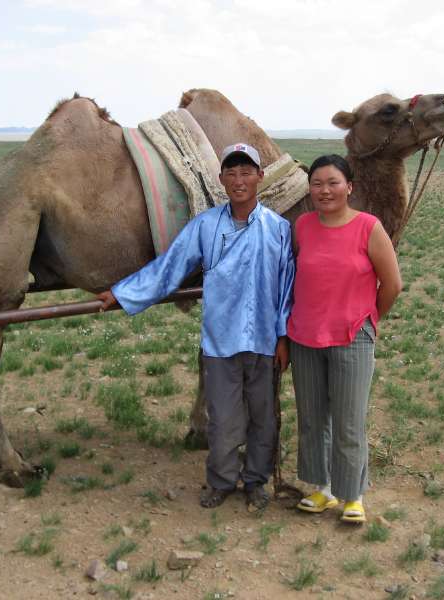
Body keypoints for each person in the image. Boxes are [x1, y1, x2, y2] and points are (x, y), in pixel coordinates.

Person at [97, 143, 295, 510]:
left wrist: (284, 337)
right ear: (221, 180)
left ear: (260, 177)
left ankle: (255, 481)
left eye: (246, 172)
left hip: (265, 340)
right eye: (232, 173)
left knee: (263, 417)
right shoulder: (204, 226)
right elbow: (169, 267)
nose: (239, 180)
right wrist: (124, 294)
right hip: (220, 341)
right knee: (222, 417)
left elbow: (286, 288)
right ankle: (220, 481)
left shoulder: (279, 229)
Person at [288, 154, 402, 523]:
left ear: (349, 187)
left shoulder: (368, 227)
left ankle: (352, 495)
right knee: (312, 418)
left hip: (352, 336)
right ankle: (321, 489)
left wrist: (368, 320)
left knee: (349, 421)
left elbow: (392, 284)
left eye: (333, 182)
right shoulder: (302, 227)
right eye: (317, 183)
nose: (325, 190)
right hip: (305, 335)